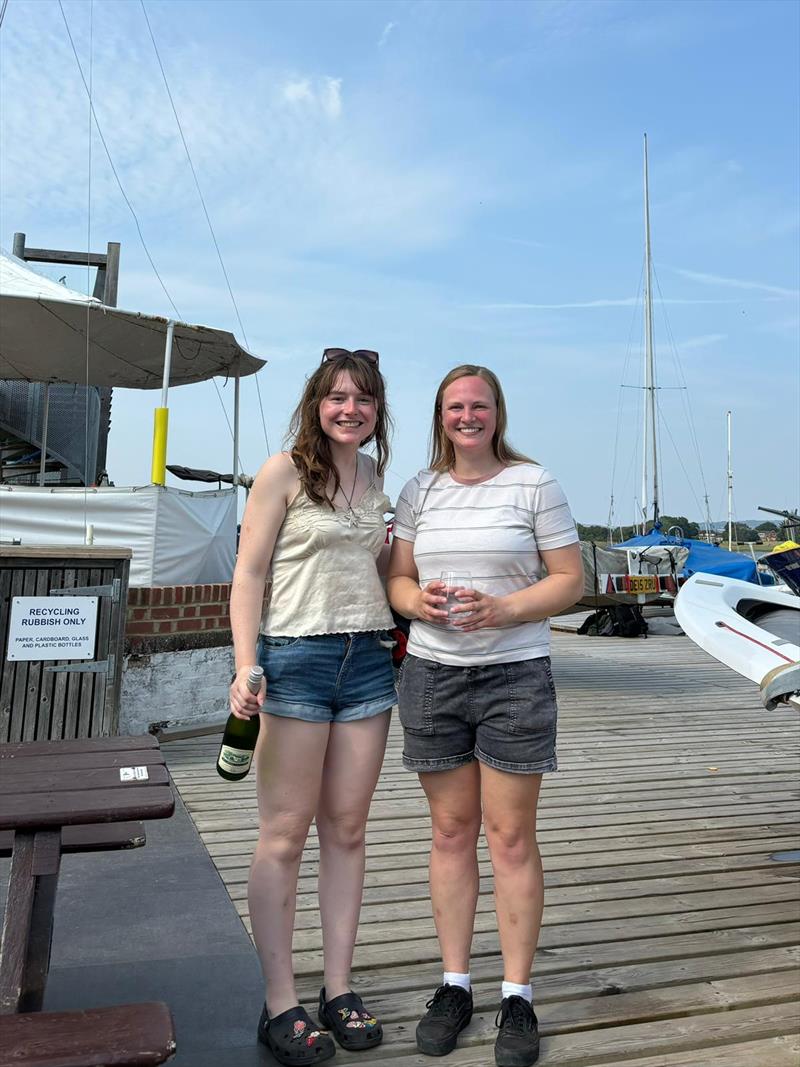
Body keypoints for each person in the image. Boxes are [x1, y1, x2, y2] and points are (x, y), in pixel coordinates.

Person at [387, 364, 583, 1067]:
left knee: (509, 837)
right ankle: (455, 983)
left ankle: (518, 994)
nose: (467, 416)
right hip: (434, 677)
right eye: (454, 406)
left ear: (498, 411)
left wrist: (503, 608)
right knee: (449, 831)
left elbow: (569, 578)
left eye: (479, 405)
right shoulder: (421, 488)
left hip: (514, 677)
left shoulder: (534, 483)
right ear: (440, 417)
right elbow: (397, 578)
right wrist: (417, 604)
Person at [229, 349, 396, 1065]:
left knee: (349, 828)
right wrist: (245, 664)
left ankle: (336, 987)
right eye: (337, 397)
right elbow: (249, 573)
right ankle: (279, 1002)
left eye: (362, 397)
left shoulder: (375, 477)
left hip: (369, 661)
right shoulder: (284, 471)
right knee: (285, 833)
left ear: (377, 407)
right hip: (296, 659)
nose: (349, 407)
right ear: (315, 403)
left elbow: (379, 570)